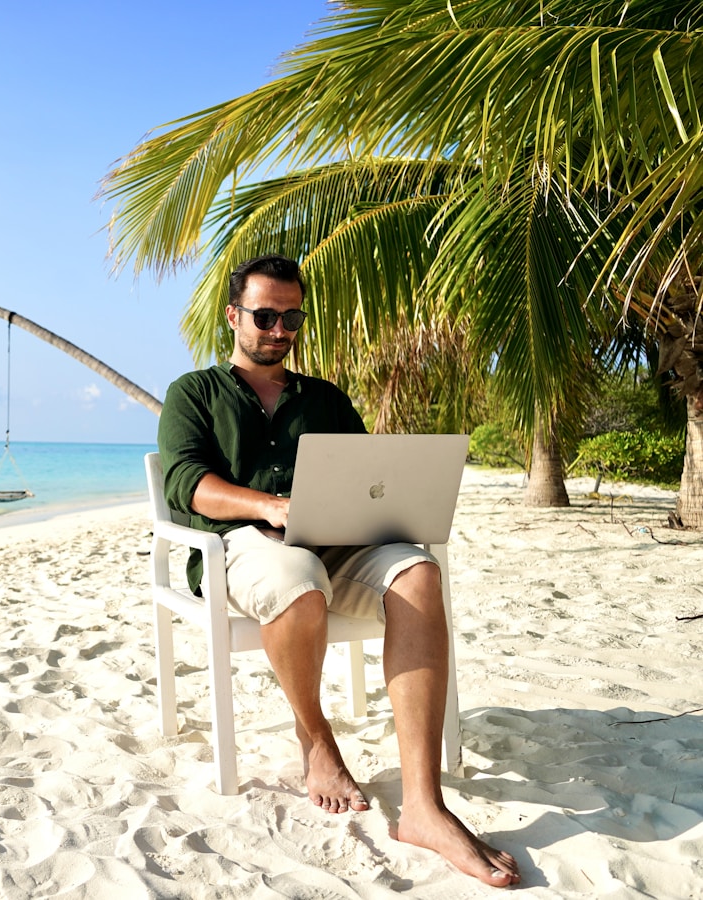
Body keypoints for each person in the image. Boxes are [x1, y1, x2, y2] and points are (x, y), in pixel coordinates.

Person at [157, 254, 520, 888]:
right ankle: (316, 740)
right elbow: (189, 484)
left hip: (334, 541)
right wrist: (270, 505)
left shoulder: (323, 398)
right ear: (233, 316)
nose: (278, 329)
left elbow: (366, 473)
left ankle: (425, 807)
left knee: (419, 572)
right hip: (241, 544)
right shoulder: (195, 392)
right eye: (265, 315)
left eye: (290, 316)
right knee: (297, 580)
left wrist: (388, 508)